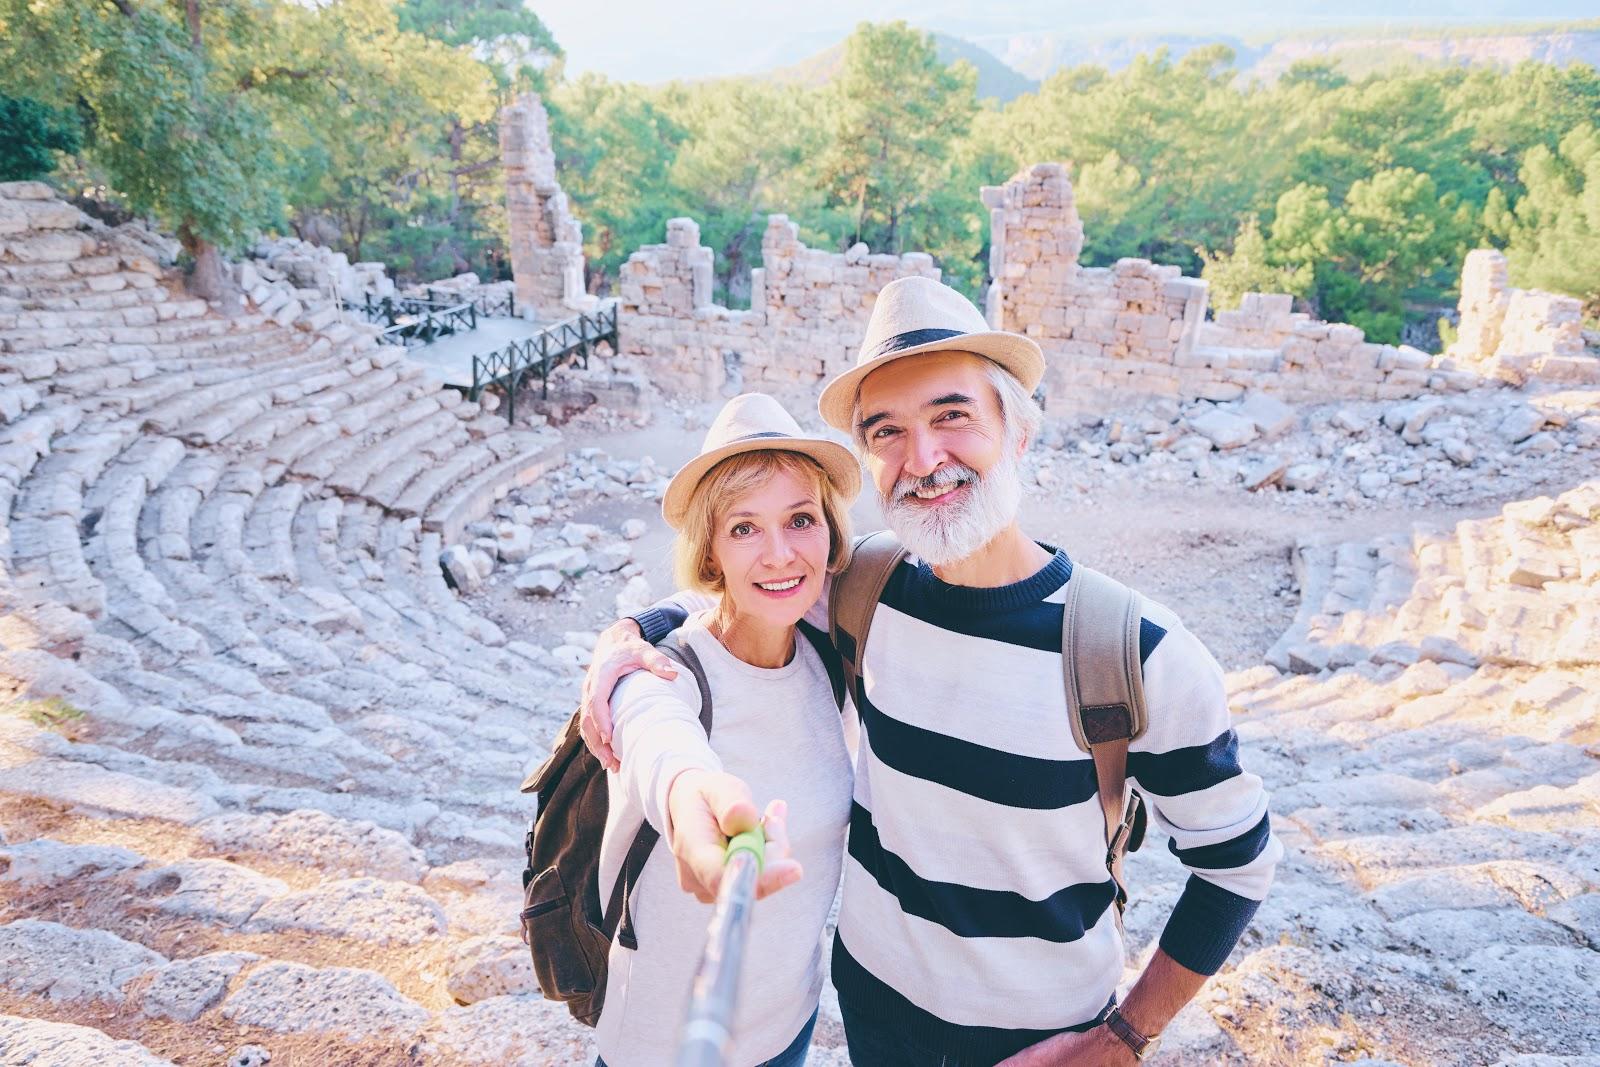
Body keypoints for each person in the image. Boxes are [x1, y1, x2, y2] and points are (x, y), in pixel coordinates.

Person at [583, 277, 1284, 1066]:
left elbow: (1237, 864)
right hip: (874, 1012)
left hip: (1042, 1043)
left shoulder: (1138, 651)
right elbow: (753, 586)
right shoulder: (868, 588)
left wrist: (1125, 1036)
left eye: (952, 415)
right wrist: (631, 634)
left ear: (1017, 432)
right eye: (887, 431)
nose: (922, 459)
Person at [592, 391, 861, 1067]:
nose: (779, 553)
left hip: (788, 1022)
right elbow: (658, 737)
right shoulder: (663, 671)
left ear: (830, 533)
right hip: (663, 1043)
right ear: (710, 552)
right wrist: (689, 794)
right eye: (744, 528)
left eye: (800, 519)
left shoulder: (828, 651)